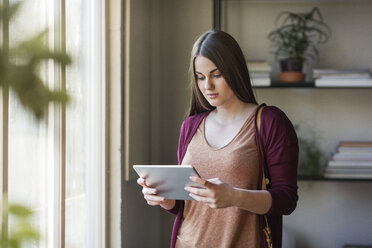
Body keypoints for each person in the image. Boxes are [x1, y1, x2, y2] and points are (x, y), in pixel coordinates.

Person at [137, 30, 298, 248]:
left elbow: (286, 200)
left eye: (216, 75)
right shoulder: (190, 126)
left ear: (234, 71)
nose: (207, 87)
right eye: (200, 77)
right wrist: (165, 199)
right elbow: (185, 205)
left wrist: (234, 197)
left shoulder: (269, 122)